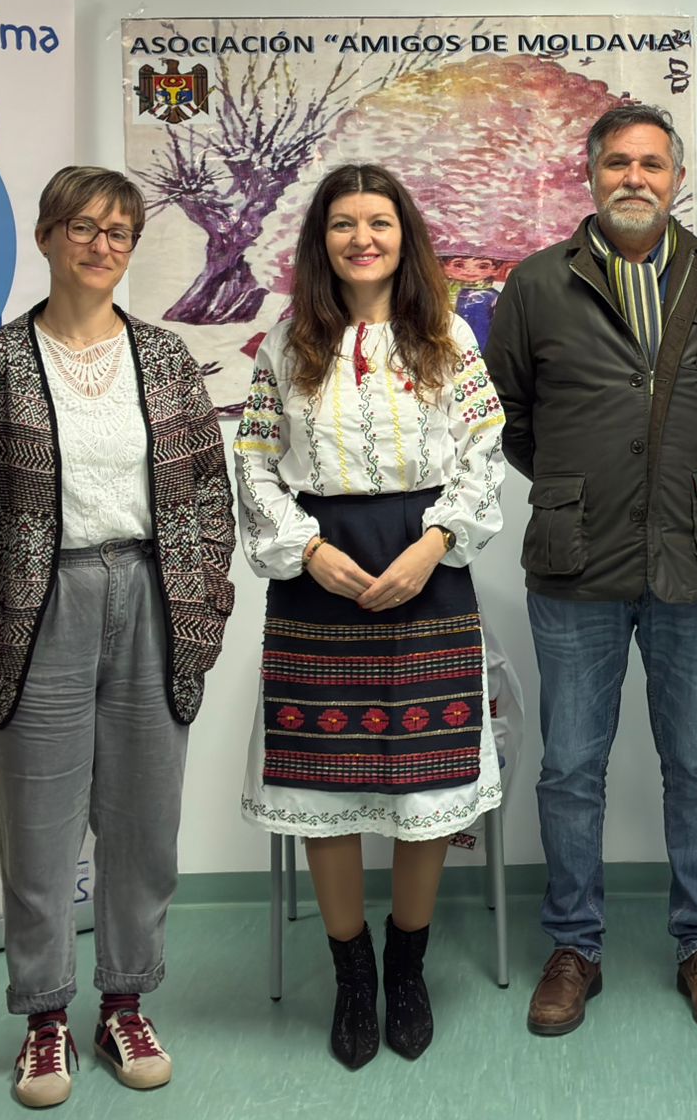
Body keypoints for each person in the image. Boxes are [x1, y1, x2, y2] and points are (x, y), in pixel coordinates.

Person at [484, 103, 697, 1038]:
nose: (635, 178)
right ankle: (575, 946)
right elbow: (512, 417)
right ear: (590, 175)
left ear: (677, 178)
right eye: (618, 162)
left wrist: (689, 482)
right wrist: (584, 486)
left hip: (696, 556)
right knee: (572, 766)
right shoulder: (535, 284)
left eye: (653, 163)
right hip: (577, 560)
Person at [0, 166, 235, 1108]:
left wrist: (206, 599)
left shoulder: (163, 358)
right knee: (37, 827)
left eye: (119, 232)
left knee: (143, 822)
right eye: (82, 227)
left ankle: (124, 1003)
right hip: (41, 606)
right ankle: (45, 1018)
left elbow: (207, 491)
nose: (101, 245)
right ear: (46, 236)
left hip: (153, 595)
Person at [236, 163, 507, 1071]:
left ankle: (409, 962)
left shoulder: (449, 341)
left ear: (405, 236)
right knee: (327, 783)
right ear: (322, 240)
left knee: (425, 781)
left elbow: (484, 453)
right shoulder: (286, 344)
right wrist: (308, 550)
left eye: (379, 222)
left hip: (425, 562)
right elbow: (256, 464)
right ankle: (353, 975)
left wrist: (434, 545)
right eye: (344, 223)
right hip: (320, 572)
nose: (362, 238)